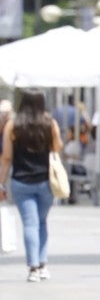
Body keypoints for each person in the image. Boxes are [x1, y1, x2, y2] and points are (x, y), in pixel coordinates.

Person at [0, 90, 64, 282]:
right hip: (46, 181)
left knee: (30, 223)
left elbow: (7, 157)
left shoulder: (13, 125)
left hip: (21, 181)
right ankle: (43, 264)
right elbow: (57, 146)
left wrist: (1, 182)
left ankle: (33, 267)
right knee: (42, 222)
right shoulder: (49, 123)